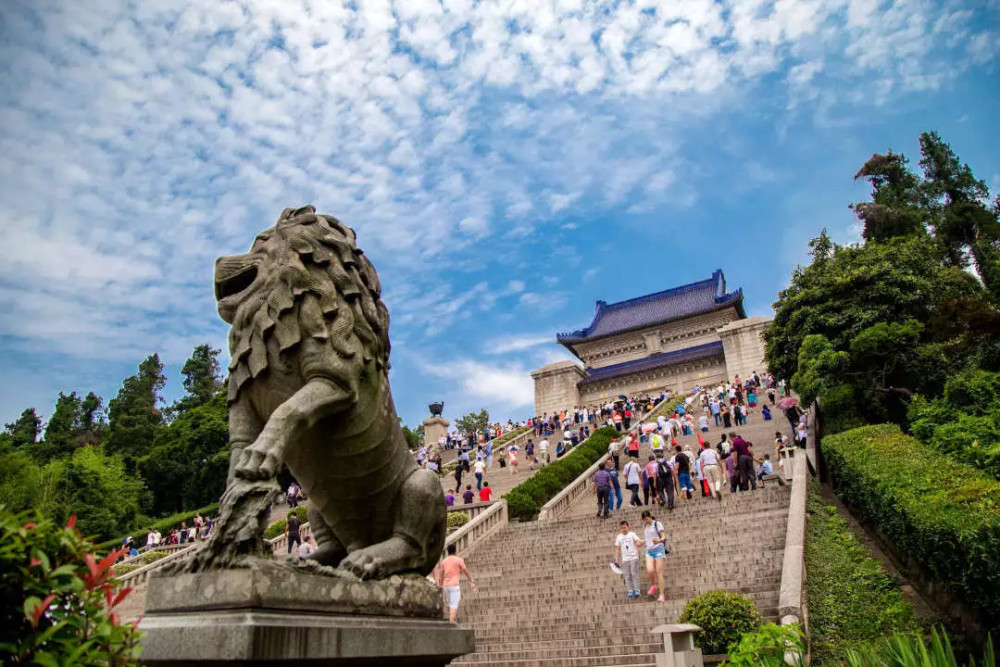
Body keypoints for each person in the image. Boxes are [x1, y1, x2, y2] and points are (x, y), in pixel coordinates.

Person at [433, 544, 476, 623]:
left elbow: (441, 574)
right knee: (454, 604)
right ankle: (451, 621)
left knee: (450, 603)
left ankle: (451, 618)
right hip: (454, 585)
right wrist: (471, 579)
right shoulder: (459, 560)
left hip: (446, 586)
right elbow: (465, 570)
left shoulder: (444, 561)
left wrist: (440, 585)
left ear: (448, 551)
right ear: (455, 551)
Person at [641, 510, 668, 602]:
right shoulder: (645, 526)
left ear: (650, 516)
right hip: (649, 550)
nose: (646, 521)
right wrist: (643, 542)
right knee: (650, 569)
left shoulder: (657, 524)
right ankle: (653, 585)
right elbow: (648, 538)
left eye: (647, 519)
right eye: (644, 520)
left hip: (658, 549)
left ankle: (661, 595)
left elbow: (664, 537)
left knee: (659, 572)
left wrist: (659, 540)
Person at [615, 520, 643, 599]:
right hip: (625, 559)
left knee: (634, 573)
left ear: (628, 527)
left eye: (624, 527)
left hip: (634, 557)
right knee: (627, 575)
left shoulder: (632, 534)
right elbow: (617, 548)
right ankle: (630, 590)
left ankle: (637, 589)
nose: (623, 529)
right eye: (622, 528)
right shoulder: (619, 537)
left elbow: (637, 540)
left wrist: (638, 542)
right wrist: (616, 559)